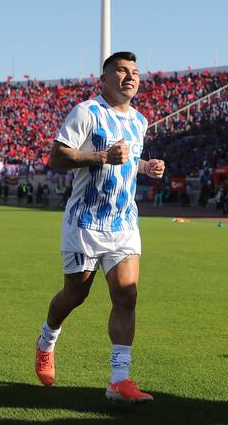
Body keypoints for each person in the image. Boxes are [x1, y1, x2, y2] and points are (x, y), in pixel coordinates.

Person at [34, 52, 164, 403]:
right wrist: (102, 157)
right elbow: (57, 157)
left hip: (124, 222)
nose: (130, 76)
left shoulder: (140, 121)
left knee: (127, 294)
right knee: (76, 294)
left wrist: (144, 166)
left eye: (135, 72)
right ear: (103, 79)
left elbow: (127, 159)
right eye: (121, 70)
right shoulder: (86, 112)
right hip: (85, 223)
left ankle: (119, 380)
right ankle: (47, 339)